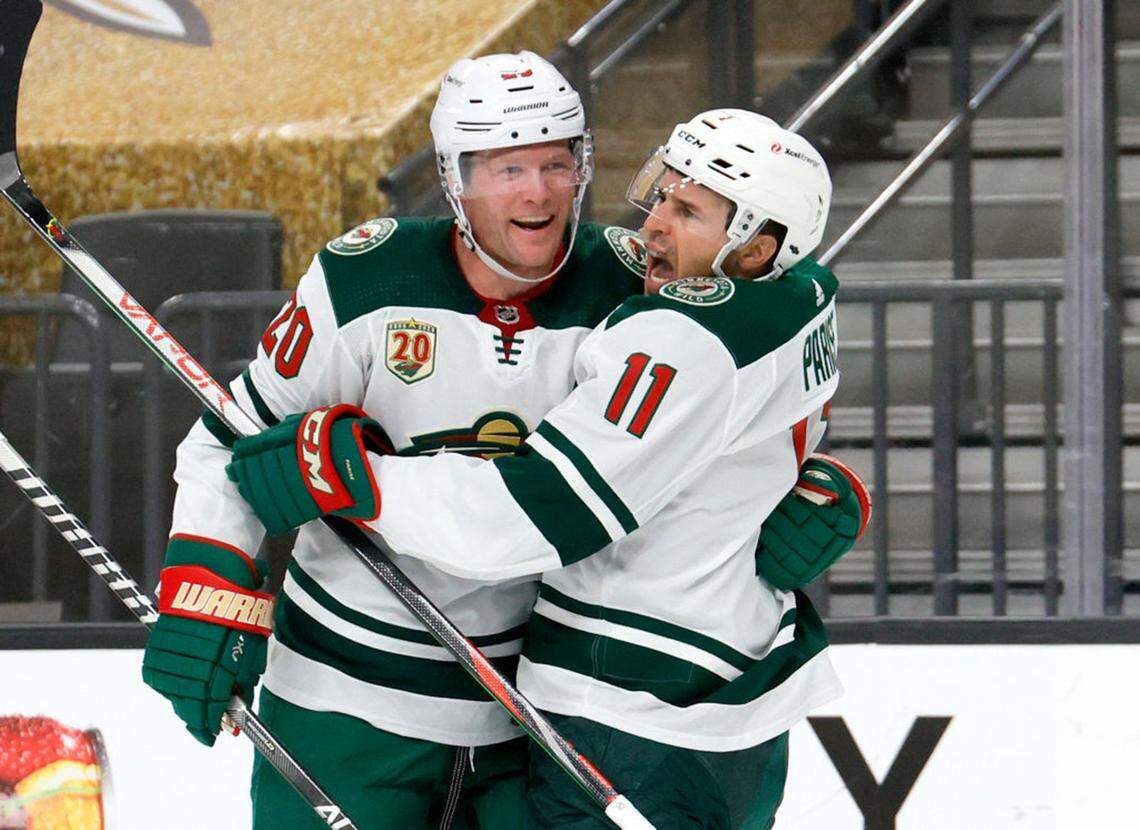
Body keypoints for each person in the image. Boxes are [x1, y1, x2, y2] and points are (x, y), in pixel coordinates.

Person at [142, 44, 862, 828]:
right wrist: (206, 587)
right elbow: (230, 434)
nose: (539, 192)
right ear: (455, 178)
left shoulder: (636, 284)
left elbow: (744, 366)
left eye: (556, 164)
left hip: (527, 718)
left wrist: (803, 483)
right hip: (345, 707)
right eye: (505, 169)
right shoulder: (366, 282)